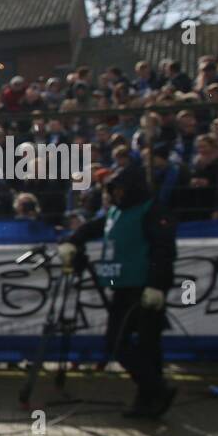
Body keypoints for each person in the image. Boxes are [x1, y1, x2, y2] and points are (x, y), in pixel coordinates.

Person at [59, 168, 177, 418]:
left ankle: (153, 394)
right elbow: (92, 228)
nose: (117, 194)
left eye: (121, 189)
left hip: (144, 286)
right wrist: (73, 240)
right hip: (122, 285)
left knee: (143, 345)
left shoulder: (152, 210)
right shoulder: (115, 212)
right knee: (122, 343)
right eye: (114, 190)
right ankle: (153, 393)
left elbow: (163, 249)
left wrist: (156, 285)